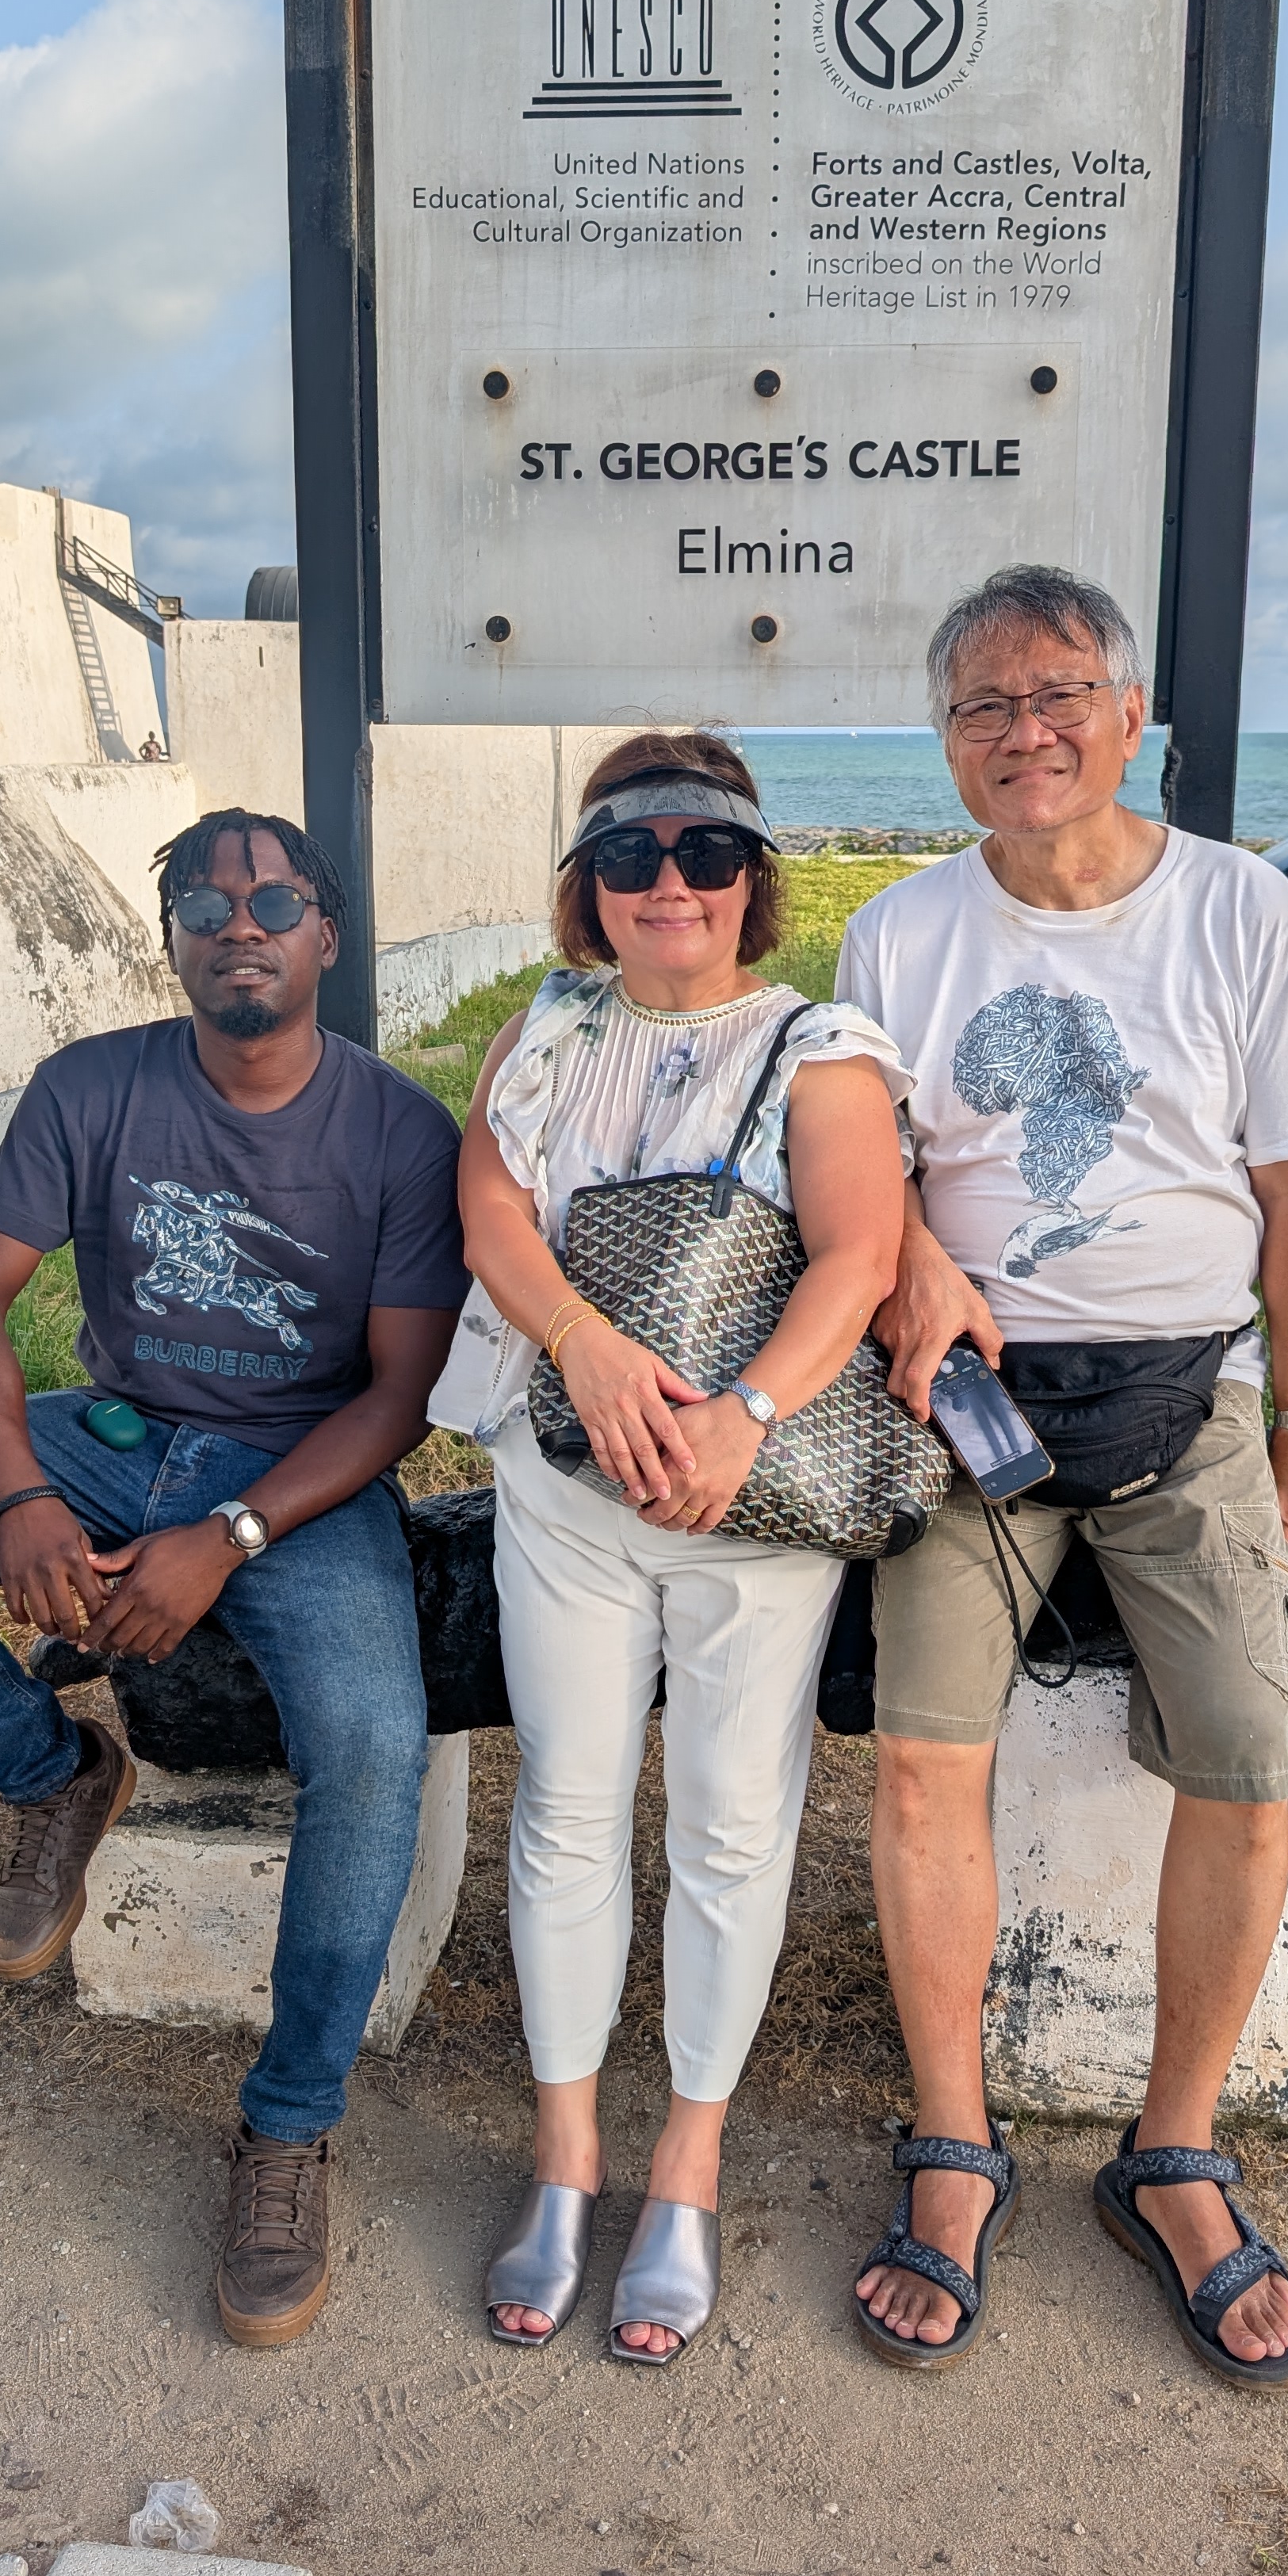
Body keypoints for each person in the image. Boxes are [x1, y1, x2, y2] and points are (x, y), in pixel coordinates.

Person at [0, 808, 467, 2351]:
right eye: (205, 900)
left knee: (368, 1740)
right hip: (105, 1435)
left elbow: (397, 1396)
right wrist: (17, 1487)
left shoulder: (401, 1134)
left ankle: (289, 2128)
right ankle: (53, 1773)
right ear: (174, 936)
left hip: (298, 1475)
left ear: (325, 936)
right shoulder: (95, 1086)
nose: (242, 921)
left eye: (276, 897)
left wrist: (232, 1540)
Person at [836, 565, 1288, 2389]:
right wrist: (910, 1250)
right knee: (923, 1758)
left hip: (1188, 1399)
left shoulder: (1242, 913)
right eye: (983, 708)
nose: (1024, 733)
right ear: (951, 743)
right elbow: (863, 1164)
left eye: (1057, 697)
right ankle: (956, 2139)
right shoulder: (900, 938)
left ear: (1129, 719)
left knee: (1248, 1757)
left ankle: (1176, 2149)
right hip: (969, 1406)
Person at [446, 730, 910, 2366]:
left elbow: (859, 1253)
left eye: (704, 854)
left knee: (727, 1827)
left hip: (747, 1508)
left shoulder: (819, 1047)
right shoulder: (552, 1028)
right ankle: (566, 2152)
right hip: (569, 1487)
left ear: (752, 879)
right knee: (567, 1813)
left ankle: (686, 2165)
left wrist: (745, 1420)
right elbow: (490, 1204)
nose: (669, 885)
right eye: (631, 856)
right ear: (590, 886)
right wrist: (574, 1340)